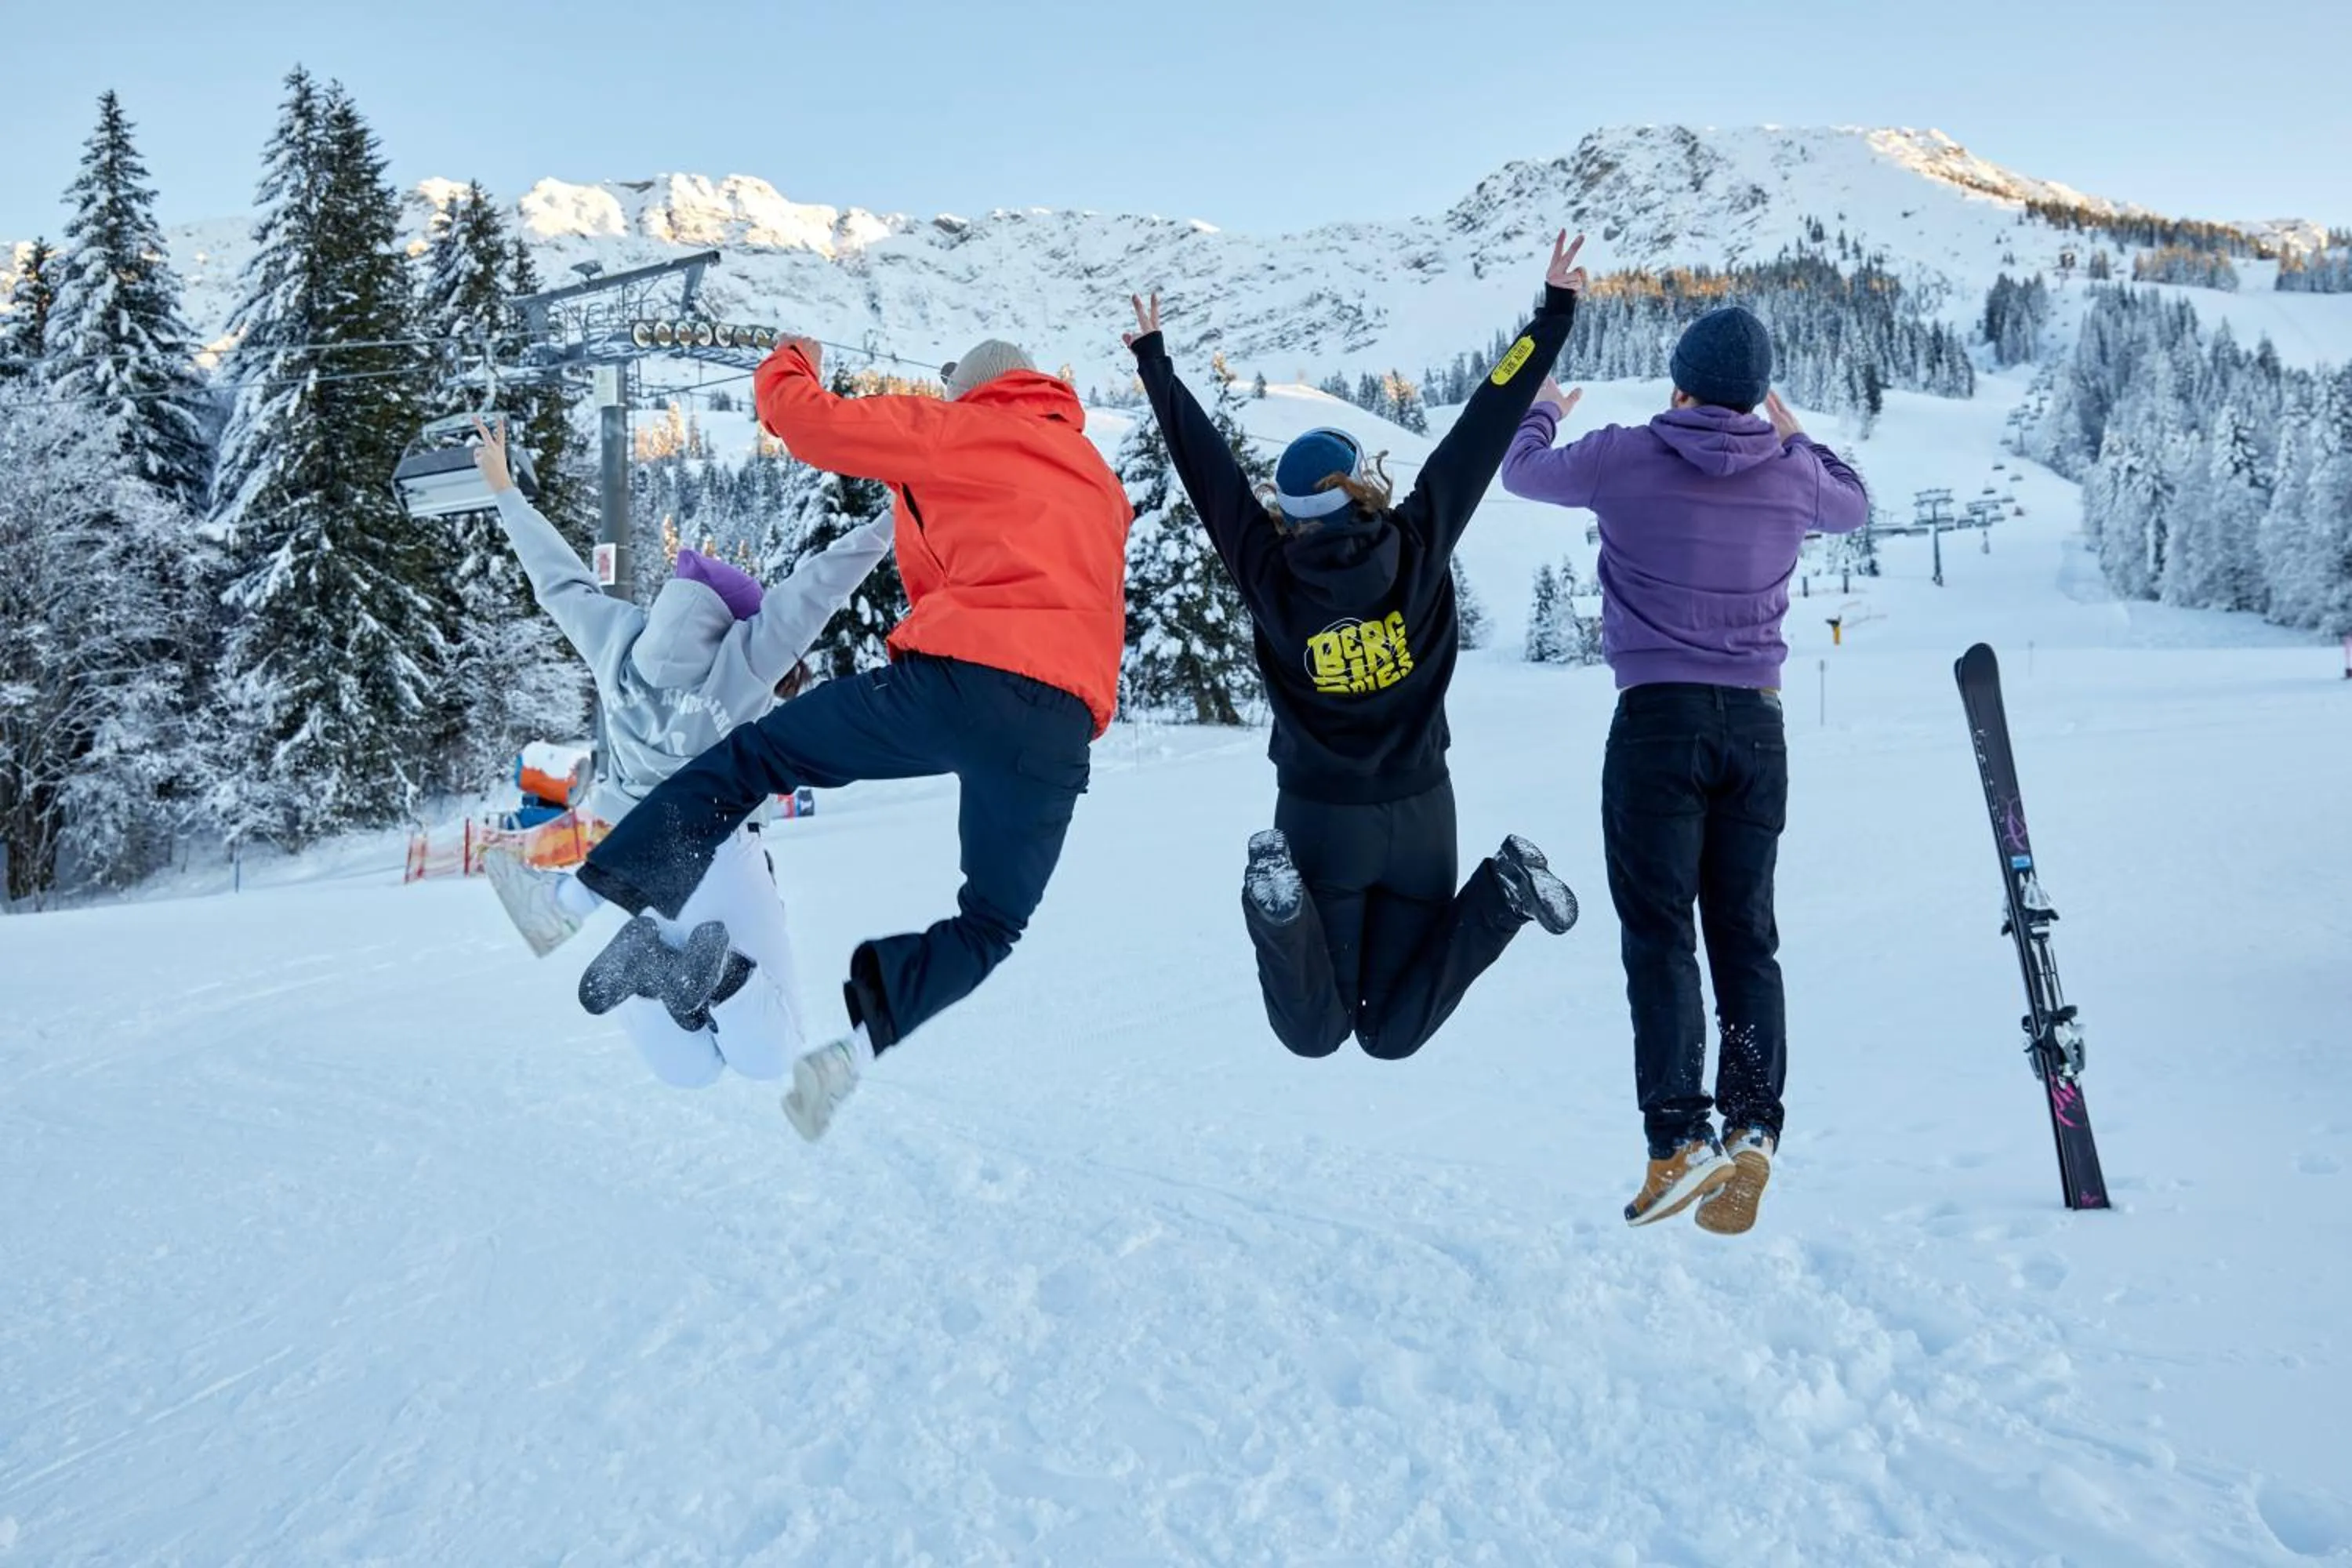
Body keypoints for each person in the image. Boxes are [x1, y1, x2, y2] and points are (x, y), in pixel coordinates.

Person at [570, 336, 1133, 1142]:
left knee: (757, 756)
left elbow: (804, 421)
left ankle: (586, 891)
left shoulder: (963, 429)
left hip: (954, 684)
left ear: (975, 388)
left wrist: (792, 355)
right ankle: (859, 1046)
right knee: (992, 922)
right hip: (1057, 727)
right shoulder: (1099, 481)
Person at [1119, 231, 1588, 1065]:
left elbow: (1207, 472)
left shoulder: (1269, 571)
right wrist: (1551, 316)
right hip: (1421, 817)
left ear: (1290, 510)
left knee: (1314, 1031)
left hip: (1318, 823)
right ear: (1362, 484)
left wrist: (1157, 364)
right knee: (1391, 1033)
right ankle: (1505, 889)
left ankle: (1279, 907)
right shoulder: (1418, 540)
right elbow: (1485, 423)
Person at [1500, 305, 1871, 1232]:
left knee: (1661, 933)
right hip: (1757, 729)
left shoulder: (1624, 454)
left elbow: (1520, 469)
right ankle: (1752, 1124)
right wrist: (1795, 436)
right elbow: (1856, 501)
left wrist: (1540, 406)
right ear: (1756, 395)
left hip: (1657, 725)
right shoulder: (1791, 475)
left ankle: (1678, 1138)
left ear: (1679, 384)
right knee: (1746, 935)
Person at [466, 416, 893, 1091]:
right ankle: (711, 973)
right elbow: (819, 588)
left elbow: (560, 585)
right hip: (715, 851)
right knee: (770, 1057)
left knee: (687, 1071)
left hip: (629, 859)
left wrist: (506, 493)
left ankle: (643, 958)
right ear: (732, 620)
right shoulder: (745, 659)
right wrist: (897, 518)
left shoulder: (616, 639)